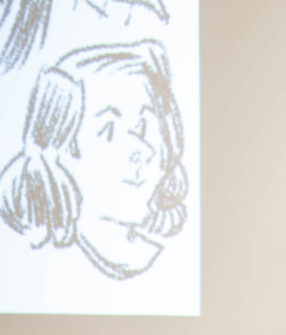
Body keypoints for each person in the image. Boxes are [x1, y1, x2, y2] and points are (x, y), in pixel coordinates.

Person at [0, 39, 187, 280]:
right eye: (109, 130)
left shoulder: (173, 265)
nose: (142, 149)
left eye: (144, 126)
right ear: (62, 149)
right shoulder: (33, 270)